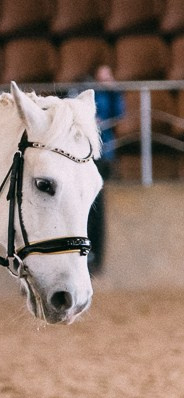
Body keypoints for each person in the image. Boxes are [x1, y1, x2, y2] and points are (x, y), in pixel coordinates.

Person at [88, 63, 124, 274]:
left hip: (103, 153)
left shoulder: (111, 94)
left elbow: (119, 115)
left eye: (107, 76)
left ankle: (96, 256)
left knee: (97, 207)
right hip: (90, 152)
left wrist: (113, 90)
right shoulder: (90, 93)